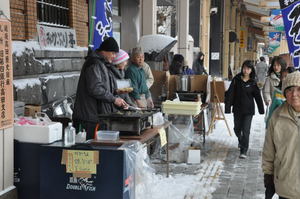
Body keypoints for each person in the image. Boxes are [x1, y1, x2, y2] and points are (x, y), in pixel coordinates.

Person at [73, 37, 128, 139]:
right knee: (90, 150)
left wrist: (118, 99)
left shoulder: (103, 64)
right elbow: (95, 88)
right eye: (113, 53)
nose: (114, 56)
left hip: (96, 116)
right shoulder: (94, 64)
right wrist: (114, 99)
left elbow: (106, 88)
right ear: (104, 51)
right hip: (89, 117)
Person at [262, 71, 300, 199]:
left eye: (299, 89)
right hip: (286, 186)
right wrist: (268, 178)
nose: (294, 94)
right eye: (289, 90)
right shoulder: (277, 116)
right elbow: (269, 150)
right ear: (284, 94)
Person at [225, 60, 264, 159]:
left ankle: (244, 150)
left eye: (248, 69)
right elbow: (230, 94)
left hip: (248, 111)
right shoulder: (236, 79)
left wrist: (261, 109)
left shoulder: (253, 82)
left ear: (251, 70)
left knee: (246, 131)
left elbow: (258, 97)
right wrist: (228, 108)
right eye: (244, 68)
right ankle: (241, 140)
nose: (246, 70)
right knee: (237, 129)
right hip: (237, 109)